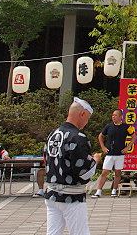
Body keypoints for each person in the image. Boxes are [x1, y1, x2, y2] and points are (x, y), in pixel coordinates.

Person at [44, 97, 102, 235]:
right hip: (71, 196)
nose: (86, 123)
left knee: (53, 232)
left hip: (52, 193)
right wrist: (95, 160)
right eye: (87, 118)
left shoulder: (53, 133)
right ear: (82, 114)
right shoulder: (78, 137)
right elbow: (84, 172)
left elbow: (46, 159)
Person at [92, 110, 133, 198]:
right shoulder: (108, 126)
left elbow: (134, 136)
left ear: (120, 116)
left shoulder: (126, 126)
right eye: (112, 115)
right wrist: (103, 147)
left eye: (115, 115)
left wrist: (128, 147)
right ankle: (98, 191)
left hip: (120, 154)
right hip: (109, 153)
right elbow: (100, 136)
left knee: (118, 173)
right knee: (105, 172)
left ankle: (114, 191)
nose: (113, 117)